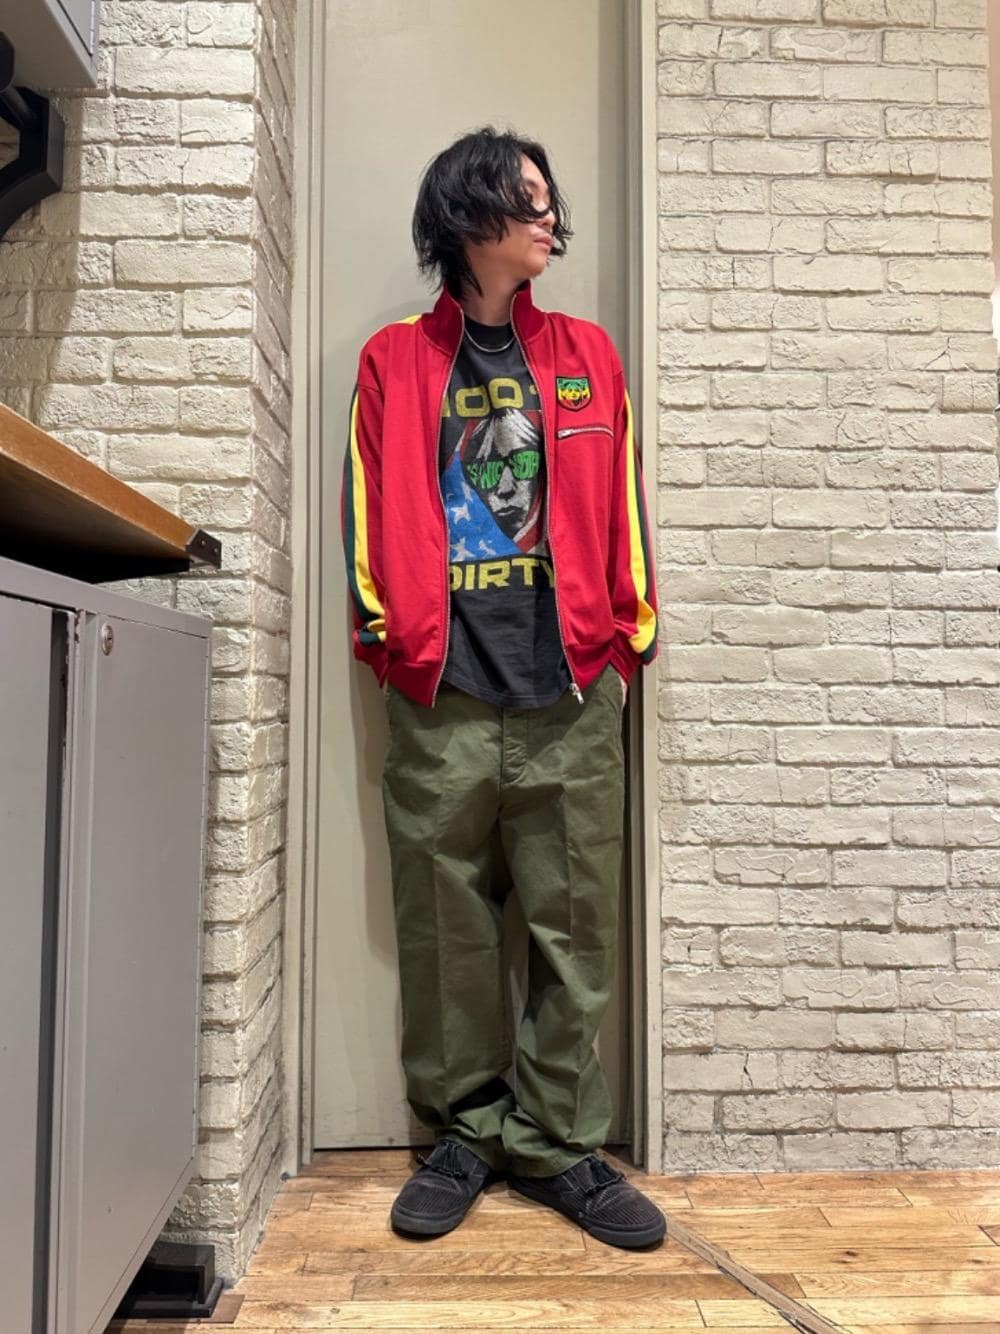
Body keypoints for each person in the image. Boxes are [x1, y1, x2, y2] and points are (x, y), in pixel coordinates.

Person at [340, 126, 663, 1250]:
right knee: (445, 930)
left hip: (570, 691)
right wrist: (391, 639)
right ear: (468, 214)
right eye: (527, 200)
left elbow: (622, 502)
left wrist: (628, 636)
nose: (549, 217)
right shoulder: (393, 360)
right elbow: (366, 508)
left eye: (548, 199)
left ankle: (560, 1142)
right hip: (444, 695)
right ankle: (464, 1134)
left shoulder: (586, 353)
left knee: (578, 930)